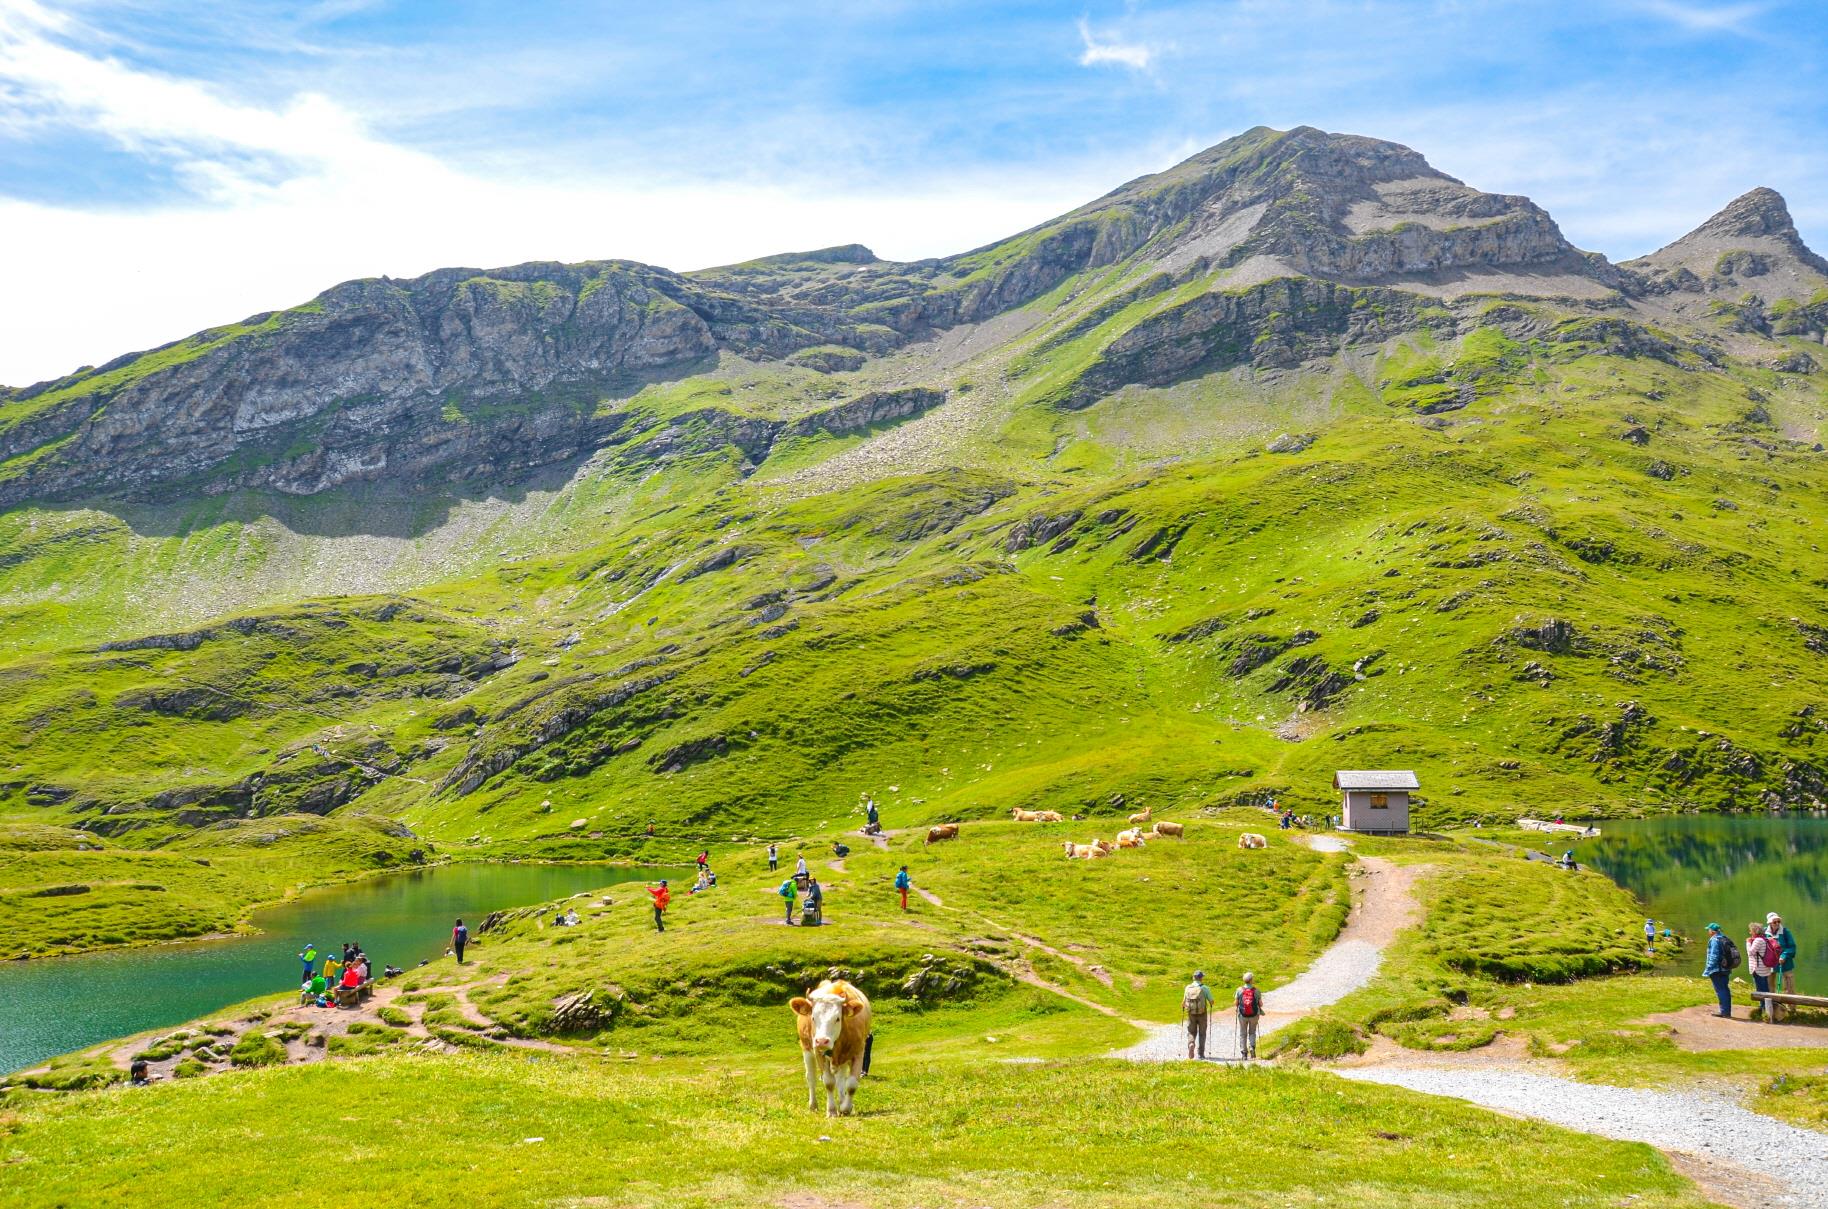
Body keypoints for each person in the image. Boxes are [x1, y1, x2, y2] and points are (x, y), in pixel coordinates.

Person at [1767, 913, 1798, 1020]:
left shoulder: (1785, 932)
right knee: (1770, 985)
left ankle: (1792, 1009)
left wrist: (1784, 955)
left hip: (1785, 963)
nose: (1777, 924)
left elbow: (1792, 947)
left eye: (1778, 921)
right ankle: (1772, 1007)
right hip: (1770, 963)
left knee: (1789, 986)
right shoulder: (1765, 932)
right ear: (1770, 923)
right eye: (1774, 922)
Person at [1702, 922, 1733, 1018]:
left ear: (1712, 931)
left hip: (1717, 970)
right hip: (1726, 968)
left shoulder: (1715, 940)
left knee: (1720, 990)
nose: (1708, 931)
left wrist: (1708, 969)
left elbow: (1714, 956)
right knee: (1725, 989)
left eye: (1709, 930)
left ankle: (1724, 1012)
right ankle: (1726, 1011)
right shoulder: (1725, 938)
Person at [1749, 921, 1778, 1016]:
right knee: (1764, 987)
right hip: (1764, 968)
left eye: (1751, 931)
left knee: (1761, 988)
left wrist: (1748, 943)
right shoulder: (1764, 939)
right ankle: (1765, 1007)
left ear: (1755, 931)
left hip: (1759, 969)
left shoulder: (1758, 940)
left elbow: (1751, 952)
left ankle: (1764, 1008)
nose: (1750, 932)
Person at [1182, 971, 1212, 1059]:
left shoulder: (1188, 987)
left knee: (1191, 1031)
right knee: (1202, 1033)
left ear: (1193, 977)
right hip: (1202, 1013)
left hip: (1191, 1013)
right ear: (1201, 978)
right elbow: (1212, 1001)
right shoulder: (1205, 988)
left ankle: (1191, 1043)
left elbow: (1183, 1003)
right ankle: (1201, 1053)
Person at [1236, 972, 1264, 1059]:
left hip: (1242, 1015)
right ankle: (1252, 1048)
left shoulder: (1239, 990)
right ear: (1251, 980)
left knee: (1243, 1033)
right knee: (1252, 1032)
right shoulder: (1256, 991)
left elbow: (1236, 1003)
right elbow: (1261, 1004)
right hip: (1254, 1015)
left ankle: (1244, 1053)